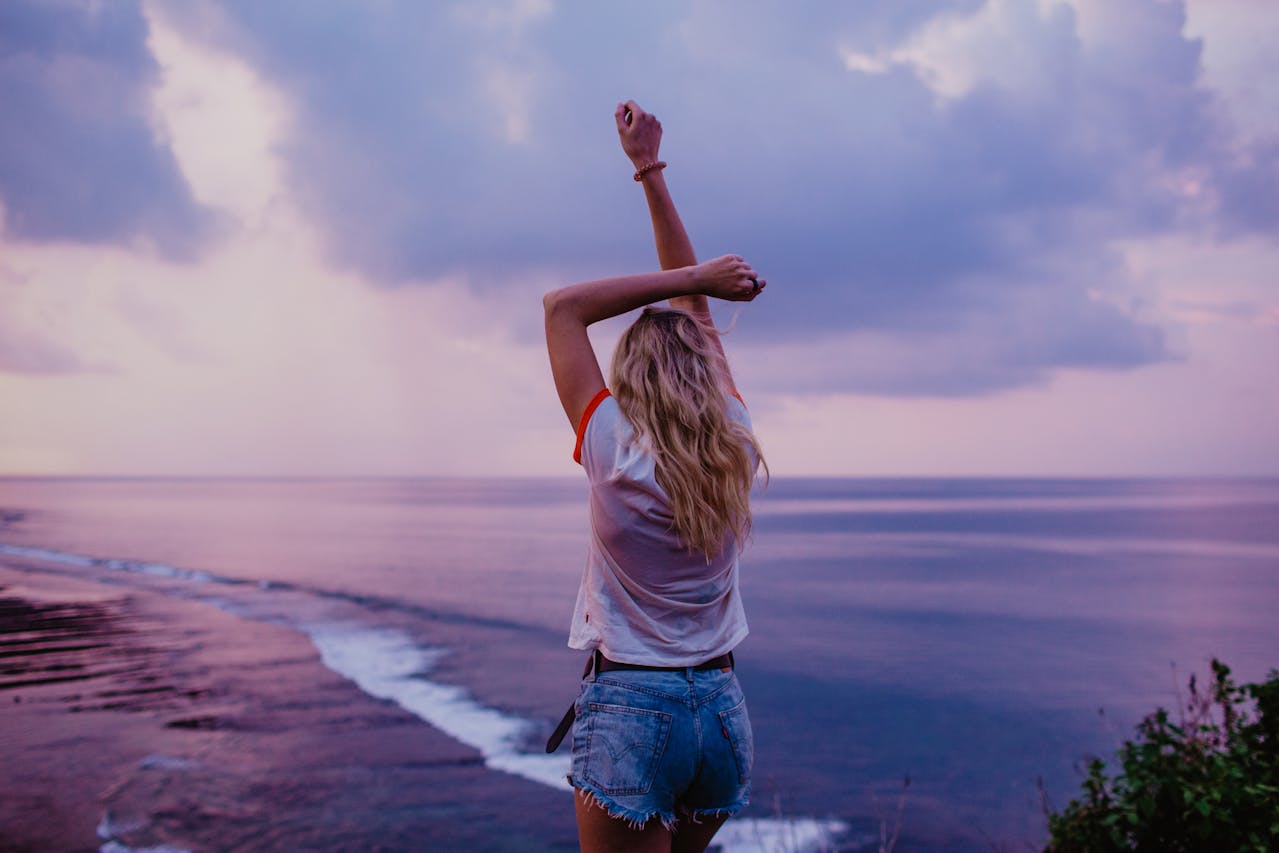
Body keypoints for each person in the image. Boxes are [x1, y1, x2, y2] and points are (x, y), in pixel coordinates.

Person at [542, 100, 768, 853]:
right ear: (705, 370)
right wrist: (650, 170)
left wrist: (696, 275)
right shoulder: (733, 439)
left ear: (630, 377)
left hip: (632, 706)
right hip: (721, 711)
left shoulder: (611, 446)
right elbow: (692, 309)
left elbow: (563, 308)